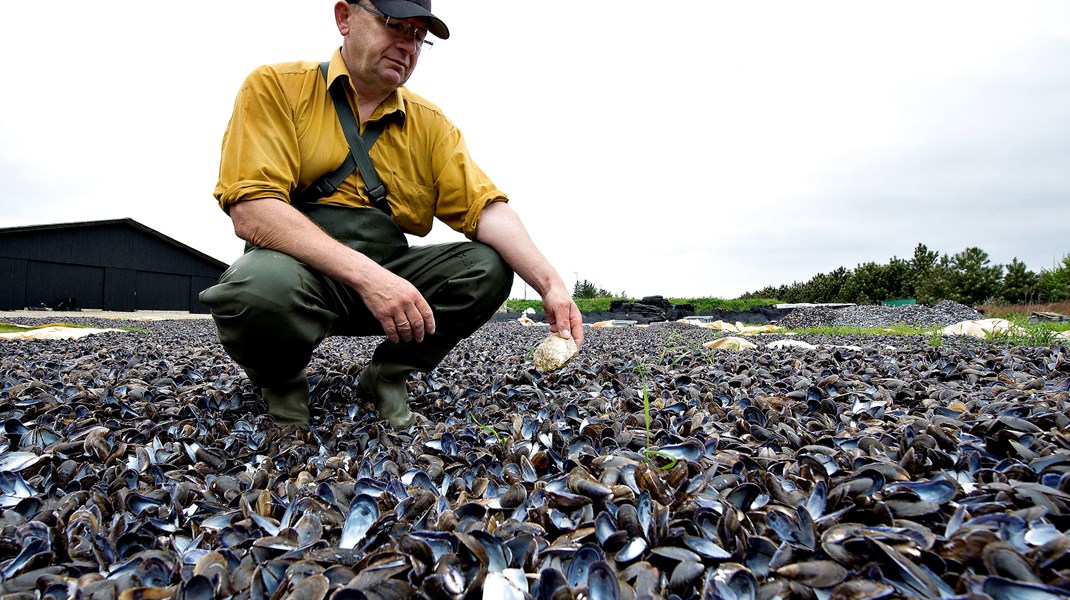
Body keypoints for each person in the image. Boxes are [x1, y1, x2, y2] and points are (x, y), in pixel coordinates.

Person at [199, 0, 583, 429]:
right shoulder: (276, 87)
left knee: (488, 267)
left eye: (419, 36)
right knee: (257, 287)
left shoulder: (431, 125)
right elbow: (253, 212)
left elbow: (486, 207)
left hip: (388, 273)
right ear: (344, 17)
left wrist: (550, 283)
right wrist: (369, 278)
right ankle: (282, 382)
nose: (408, 45)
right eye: (395, 25)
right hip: (297, 274)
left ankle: (386, 375)